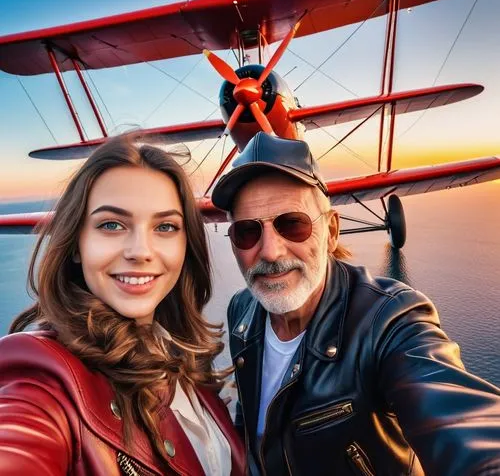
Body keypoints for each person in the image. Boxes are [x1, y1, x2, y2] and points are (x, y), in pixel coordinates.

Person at [211, 131, 500, 476]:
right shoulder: (242, 309)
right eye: (247, 231)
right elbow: (250, 412)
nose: (270, 251)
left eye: (293, 224)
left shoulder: (390, 320)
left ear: (332, 232)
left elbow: (462, 422)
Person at [0, 134, 246, 476]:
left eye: (165, 226)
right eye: (111, 225)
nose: (141, 251)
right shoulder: (44, 376)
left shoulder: (182, 358)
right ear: (75, 244)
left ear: (185, 245)